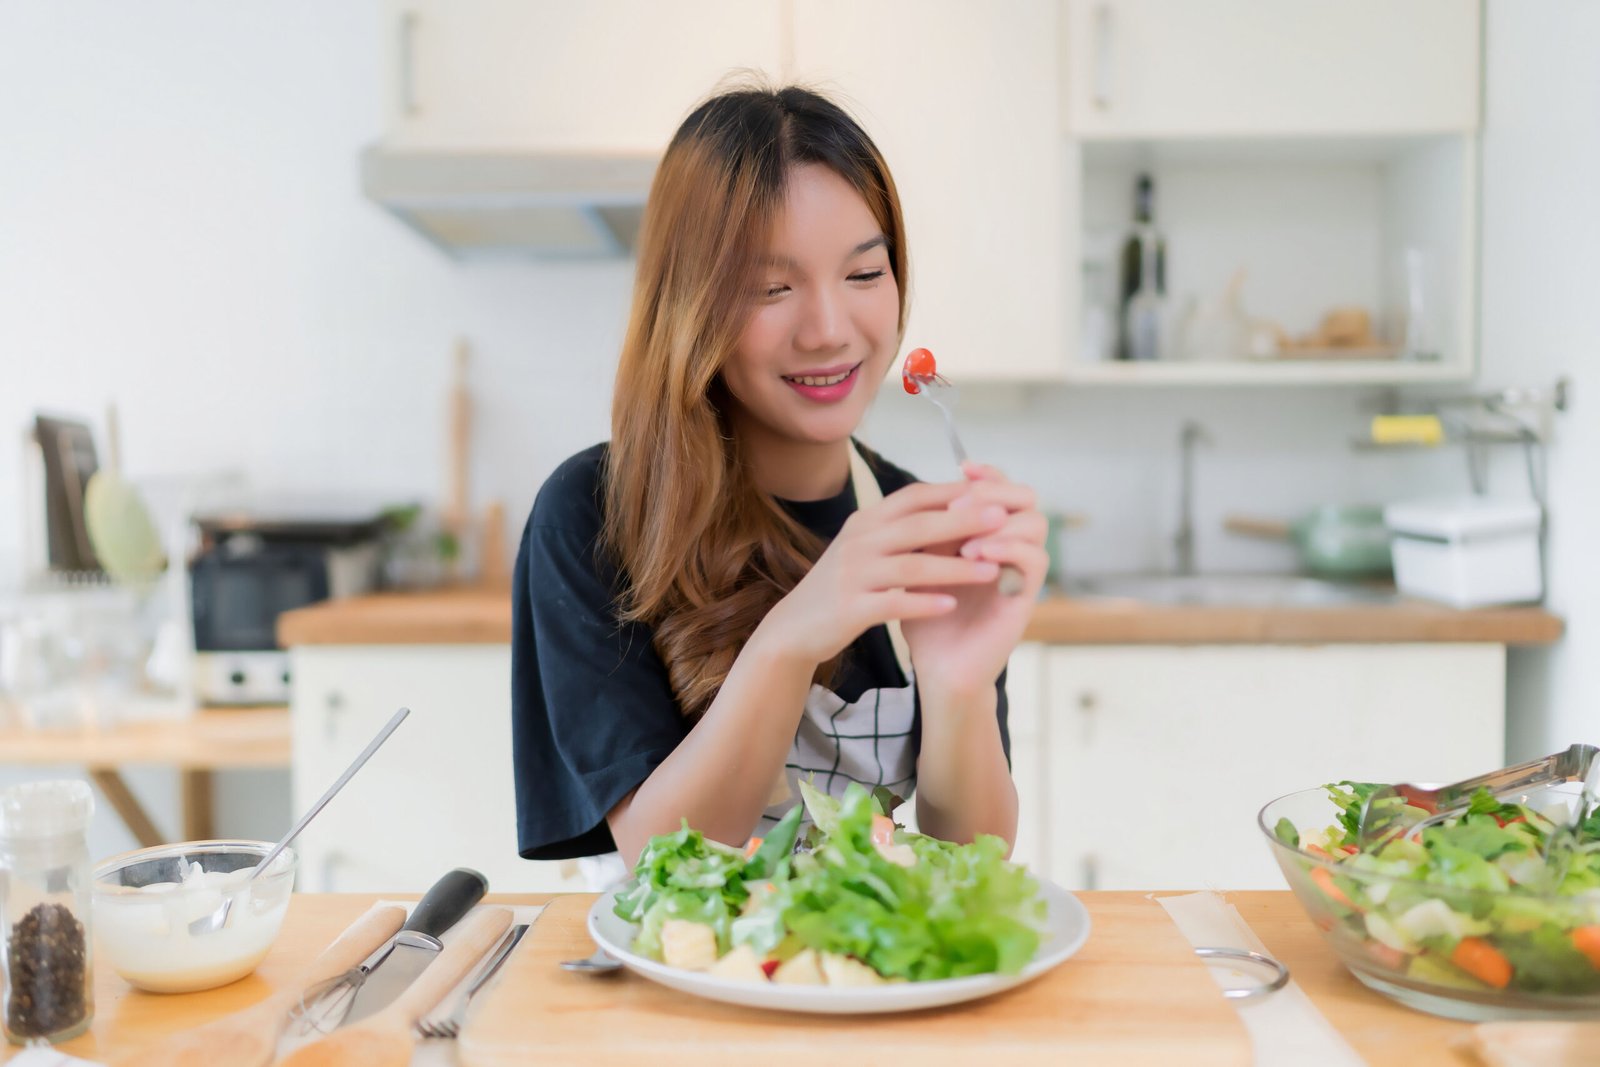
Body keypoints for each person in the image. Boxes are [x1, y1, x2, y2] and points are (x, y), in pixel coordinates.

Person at [511, 83, 1047, 873]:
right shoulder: (595, 513)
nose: (830, 330)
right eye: (772, 288)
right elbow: (666, 859)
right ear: (690, 303)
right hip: (672, 985)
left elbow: (974, 854)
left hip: (866, 988)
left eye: (864, 275)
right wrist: (796, 633)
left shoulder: (912, 522)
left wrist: (959, 681)